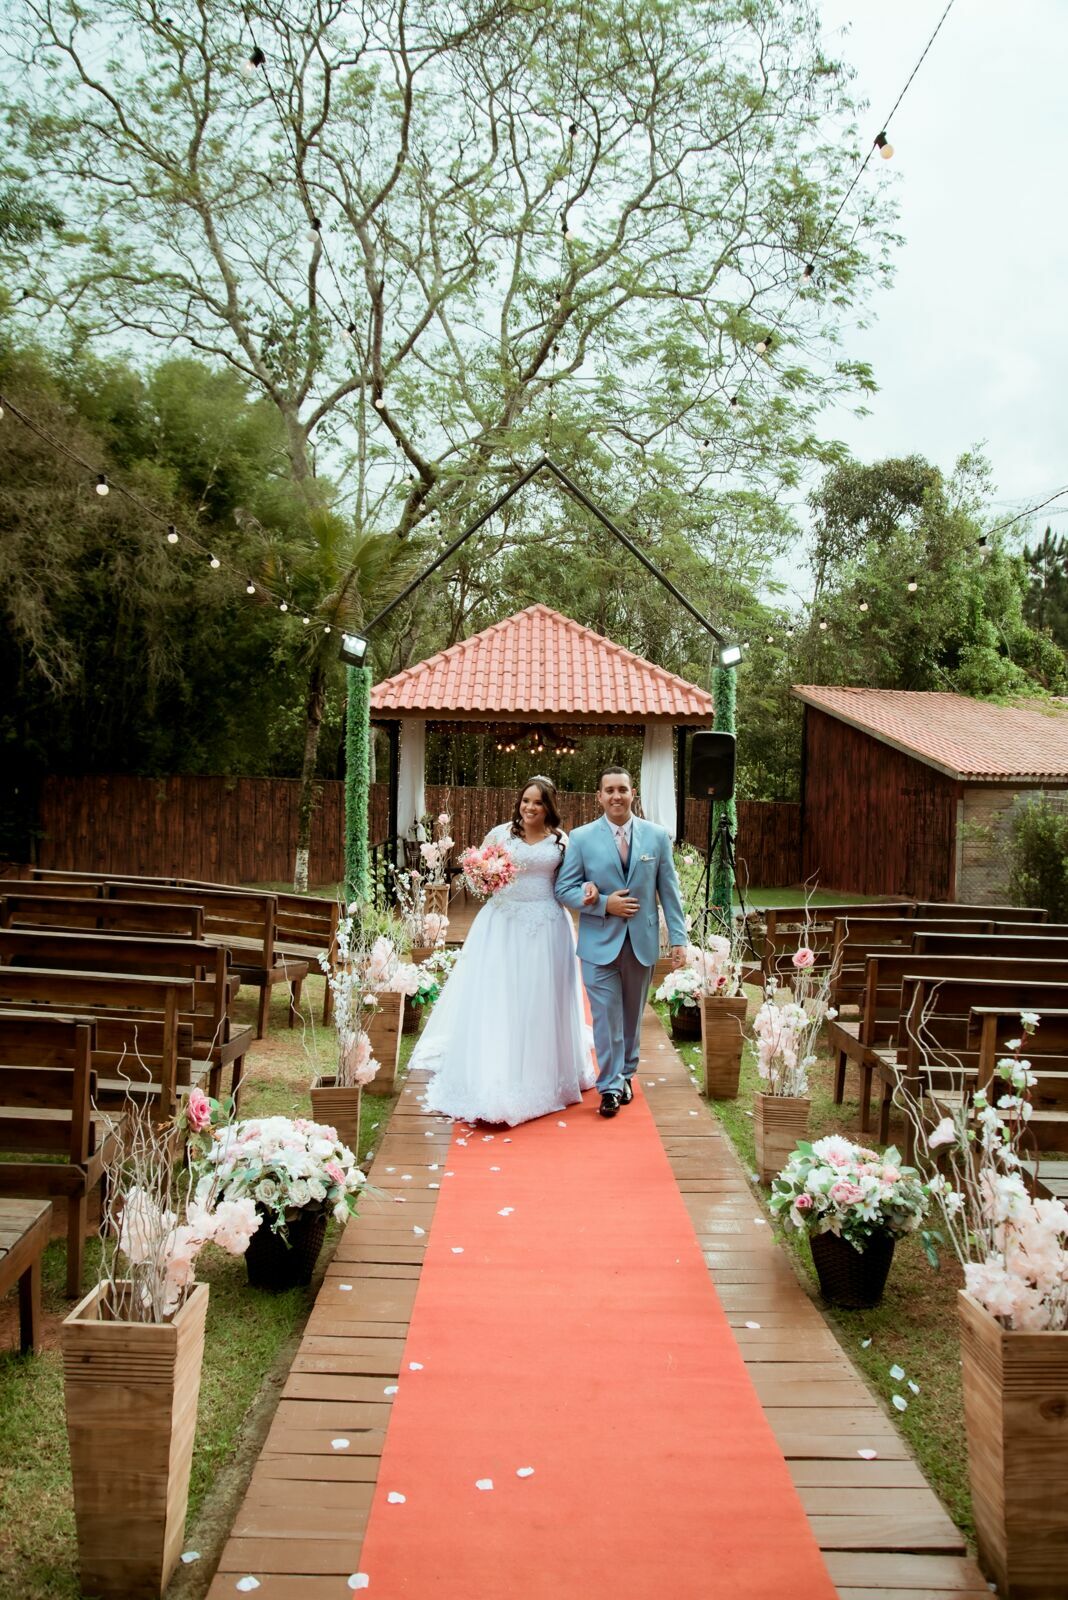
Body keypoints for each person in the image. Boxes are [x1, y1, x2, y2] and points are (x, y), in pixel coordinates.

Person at [413, 776, 596, 1126]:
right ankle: (496, 1067)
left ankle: (545, 1071)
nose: (529, 807)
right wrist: (484, 877)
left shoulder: (561, 842)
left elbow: (570, 882)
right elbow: (475, 874)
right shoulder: (500, 835)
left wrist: (587, 890)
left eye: (538, 802)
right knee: (500, 994)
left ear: (549, 807)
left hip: (547, 925)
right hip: (503, 923)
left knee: (541, 997)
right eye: (525, 800)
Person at [555, 766, 687, 1118]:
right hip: (599, 945)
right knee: (605, 1017)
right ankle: (610, 1086)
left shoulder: (657, 837)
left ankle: (627, 1073)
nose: (616, 796)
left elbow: (669, 892)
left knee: (631, 1017)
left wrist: (679, 938)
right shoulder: (581, 838)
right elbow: (564, 889)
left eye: (622, 790)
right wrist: (603, 904)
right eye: (609, 790)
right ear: (599, 796)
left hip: (641, 944)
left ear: (633, 794)